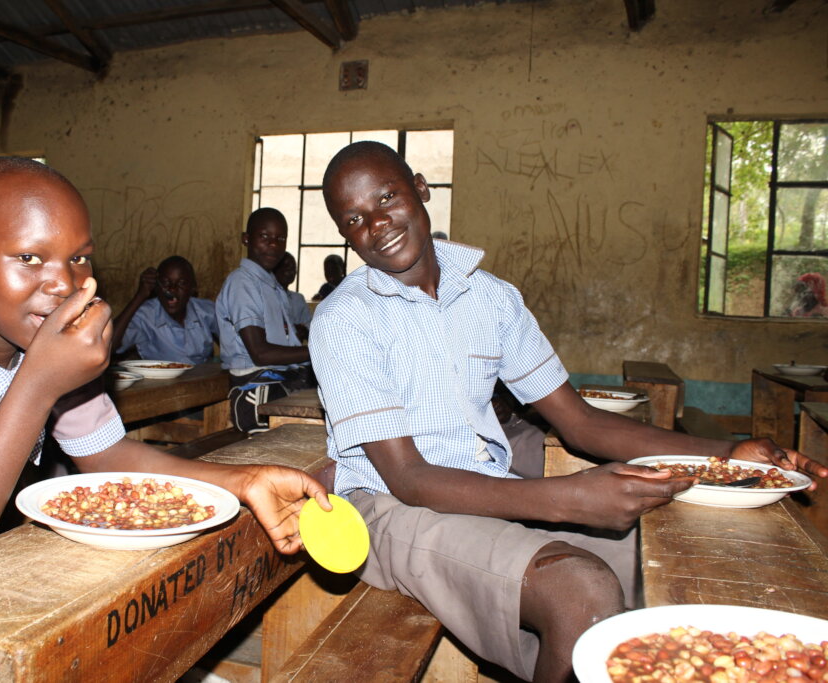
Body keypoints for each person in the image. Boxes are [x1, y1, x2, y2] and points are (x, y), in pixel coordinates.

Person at [308, 141, 827, 682]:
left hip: (481, 488)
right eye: (354, 218)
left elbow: (580, 421)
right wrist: (568, 499)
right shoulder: (346, 320)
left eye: (387, 196)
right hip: (387, 509)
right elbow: (410, 479)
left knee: (674, 554)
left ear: (420, 187)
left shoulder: (491, 299)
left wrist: (728, 455)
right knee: (580, 588)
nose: (377, 222)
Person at [0, 157, 330, 682]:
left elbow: (108, 454)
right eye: (29, 257)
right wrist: (37, 384)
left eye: (78, 258)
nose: (61, 284)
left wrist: (246, 479)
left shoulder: (41, 333)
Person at [216, 208, 313, 434]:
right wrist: (316, 351)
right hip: (256, 387)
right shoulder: (242, 282)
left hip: (282, 379)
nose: (273, 244)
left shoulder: (273, 285)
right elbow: (260, 353)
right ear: (246, 239)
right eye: (264, 237)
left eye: (280, 239)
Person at [112, 256, 218, 365]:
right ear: (156, 287)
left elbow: (233, 341)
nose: (172, 289)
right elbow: (108, 345)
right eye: (165, 283)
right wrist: (140, 296)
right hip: (161, 380)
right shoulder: (146, 316)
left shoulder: (206, 311)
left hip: (202, 379)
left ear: (193, 288)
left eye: (181, 283)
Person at [273, 251, 311, 342]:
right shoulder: (268, 296)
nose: (290, 271)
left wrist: (304, 330)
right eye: (286, 267)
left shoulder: (298, 298)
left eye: (293, 268)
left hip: (295, 348)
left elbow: (309, 324)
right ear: (275, 269)